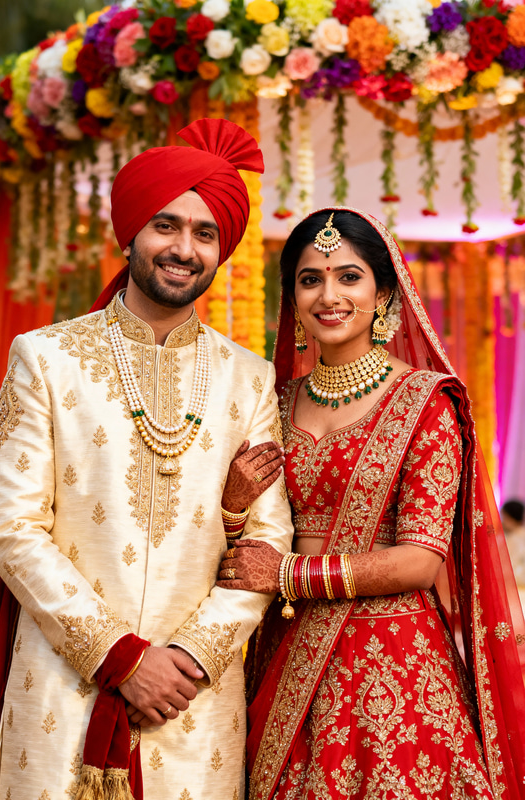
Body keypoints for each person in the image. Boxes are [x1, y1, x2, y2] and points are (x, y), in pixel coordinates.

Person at [0, 118, 294, 800]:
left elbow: (269, 538)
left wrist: (189, 659)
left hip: (192, 704)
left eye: (205, 233)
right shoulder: (44, 359)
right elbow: (14, 530)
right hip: (62, 689)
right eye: (166, 225)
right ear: (130, 232)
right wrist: (120, 657)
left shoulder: (248, 379)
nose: (184, 248)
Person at [217, 208, 525, 800]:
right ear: (294, 297)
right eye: (310, 279)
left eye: (348, 277)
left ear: (383, 292)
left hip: (394, 668)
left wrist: (284, 574)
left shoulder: (427, 403)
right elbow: (250, 534)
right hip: (286, 656)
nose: (329, 296)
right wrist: (232, 508)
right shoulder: (271, 404)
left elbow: (419, 561)